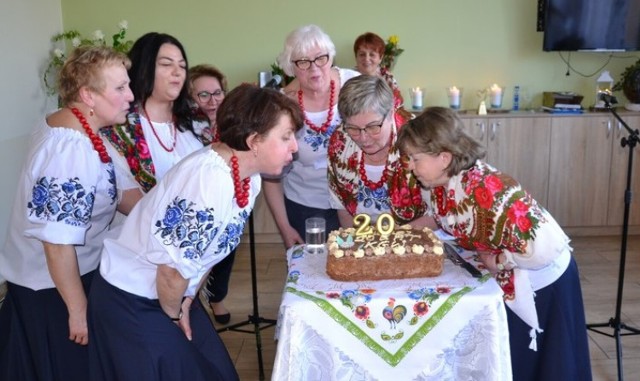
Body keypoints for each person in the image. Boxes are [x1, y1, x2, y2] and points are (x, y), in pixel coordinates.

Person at [88, 84, 303, 381]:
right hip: (133, 299)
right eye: (286, 136)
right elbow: (170, 272)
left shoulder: (247, 178)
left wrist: (188, 302)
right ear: (254, 141)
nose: (295, 147)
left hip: (171, 294)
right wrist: (176, 315)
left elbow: (205, 255)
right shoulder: (209, 180)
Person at [396, 107, 592, 381]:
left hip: (545, 279)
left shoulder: (487, 189)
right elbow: (440, 217)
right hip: (519, 274)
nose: (410, 165)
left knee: (546, 365)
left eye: (415, 158)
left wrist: (498, 261)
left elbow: (544, 248)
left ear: (444, 157)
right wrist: (397, 233)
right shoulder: (439, 182)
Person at [0, 46, 134, 380]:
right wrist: (77, 311)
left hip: (67, 279)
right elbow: (57, 243)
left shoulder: (83, 130)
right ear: (88, 95)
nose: (131, 96)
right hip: (52, 293)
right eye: (120, 88)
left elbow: (122, 191)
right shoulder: (69, 149)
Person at [263, 24, 359, 248]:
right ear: (291, 66)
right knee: (311, 273)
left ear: (330, 57)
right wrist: (284, 228)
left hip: (358, 203)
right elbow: (271, 175)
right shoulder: (279, 106)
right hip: (305, 206)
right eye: (303, 62)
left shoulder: (354, 85)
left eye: (321, 58)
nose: (314, 69)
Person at [101, 32, 209, 214]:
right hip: (140, 233)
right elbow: (131, 203)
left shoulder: (197, 122)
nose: (177, 72)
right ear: (144, 67)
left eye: (182, 66)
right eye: (166, 64)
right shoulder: (119, 128)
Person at [328, 75, 428, 227]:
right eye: (353, 128)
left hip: (415, 237)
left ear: (390, 113)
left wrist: (391, 243)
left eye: (373, 126)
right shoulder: (340, 141)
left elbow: (438, 212)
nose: (363, 138)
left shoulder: (419, 138)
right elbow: (342, 206)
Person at [188, 63, 234, 324]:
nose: (212, 100)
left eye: (217, 93)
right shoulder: (185, 128)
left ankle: (217, 297)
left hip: (228, 197)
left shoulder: (233, 122)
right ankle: (191, 298)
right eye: (203, 94)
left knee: (226, 251)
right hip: (197, 198)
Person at [353, 32, 412, 128]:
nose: (367, 59)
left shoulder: (388, 78)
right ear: (356, 57)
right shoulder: (348, 78)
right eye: (362, 54)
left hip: (384, 126)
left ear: (380, 58)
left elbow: (399, 107)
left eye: (372, 55)